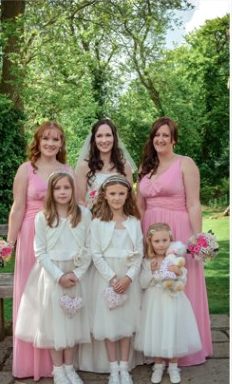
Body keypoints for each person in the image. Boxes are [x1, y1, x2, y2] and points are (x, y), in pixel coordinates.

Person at [136, 117, 212, 365]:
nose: (160, 139)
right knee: (153, 285)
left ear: (173, 139)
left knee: (181, 286)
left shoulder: (185, 164)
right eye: (157, 135)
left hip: (178, 228)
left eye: (166, 135)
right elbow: (140, 203)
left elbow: (193, 202)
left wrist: (197, 240)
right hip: (150, 228)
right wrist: (137, 232)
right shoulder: (145, 167)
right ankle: (156, 347)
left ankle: (184, 349)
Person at [7, 121, 74, 380]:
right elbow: (18, 207)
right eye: (46, 138)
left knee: (56, 296)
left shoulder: (66, 170)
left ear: (61, 143)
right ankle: (30, 363)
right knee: (32, 298)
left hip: (59, 236)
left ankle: (59, 364)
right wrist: (10, 244)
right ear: (38, 141)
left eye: (56, 139)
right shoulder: (26, 169)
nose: (50, 143)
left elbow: (72, 207)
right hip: (31, 235)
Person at [16, 170, 92, 384]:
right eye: (57, 188)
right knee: (54, 322)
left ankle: (70, 367)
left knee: (73, 320)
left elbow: (89, 247)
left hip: (77, 275)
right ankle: (58, 370)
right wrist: (59, 276)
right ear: (50, 191)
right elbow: (40, 252)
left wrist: (76, 274)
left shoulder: (84, 214)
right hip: (52, 276)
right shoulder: (43, 217)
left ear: (73, 189)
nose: (62, 192)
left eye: (66, 187)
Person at [89, 174, 144, 384]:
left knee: (126, 324)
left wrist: (128, 278)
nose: (117, 198)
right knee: (110, 324)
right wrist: (112, 279)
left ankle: (124, 368)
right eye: (112, 193)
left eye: (121, 193)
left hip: (129, 277)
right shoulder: (98, 223)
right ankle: (113, 369)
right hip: (107, 276)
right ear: (104, 195)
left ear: (128, 195)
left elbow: (139, 252)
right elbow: (96, 254)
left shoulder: (134, 221)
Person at [136, 222, 202, 384]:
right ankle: (158, 367)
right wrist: (152, 272)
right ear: (150, 242)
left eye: (164, 240)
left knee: (173, 331)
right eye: (157, 241)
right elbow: (143, 283)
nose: (161, 244)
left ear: (170, 240)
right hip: (155, 301)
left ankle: (173, 366)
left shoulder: (174, 259)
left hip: (173, 300)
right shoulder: (147, 261)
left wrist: (179, 272)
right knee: (157, 331)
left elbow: (183, 280)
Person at [75, 118, 136, 208]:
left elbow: (131, 198)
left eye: (108, 135)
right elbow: (79, 201)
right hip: (93, 217)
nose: (104, 140)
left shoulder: (124, 166)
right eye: (99, 136)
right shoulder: (84, 166)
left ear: (114, 138)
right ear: (94, 140)